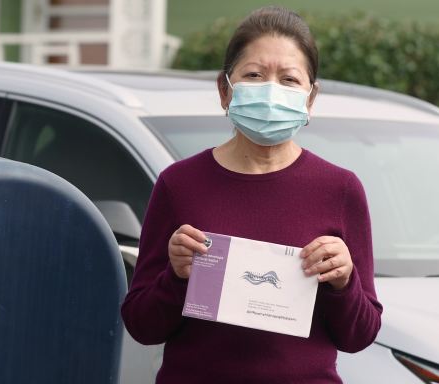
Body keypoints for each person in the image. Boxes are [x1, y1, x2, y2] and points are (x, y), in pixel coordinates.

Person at [121, 6, 383, 384]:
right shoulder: (179, 184)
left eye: (289, 79)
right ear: (225, 89)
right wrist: (176, 277)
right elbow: (142, 326)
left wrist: (344, 282)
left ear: (310, 98)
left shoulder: (340, 190)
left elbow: (360, 335)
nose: (271, 91)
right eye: (255, 75)